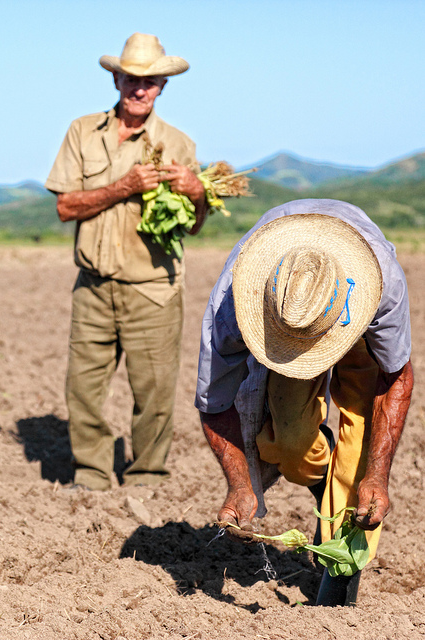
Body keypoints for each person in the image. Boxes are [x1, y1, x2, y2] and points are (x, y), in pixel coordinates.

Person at [195, 198, 413, 606]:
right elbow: (213, 399)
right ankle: (319, 478)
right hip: (290, 324)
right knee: (288, 440)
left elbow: (396, 377)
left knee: (360, 454)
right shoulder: (234, 302)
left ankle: (340, 578)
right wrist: (240, 484)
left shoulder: (382, 284)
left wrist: (378, 475)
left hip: (359, 326)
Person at [45, 33, 208, 491]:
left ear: (163, 86)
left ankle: (146, 479)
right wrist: (124, 185)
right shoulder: (81, 131)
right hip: (92, 286)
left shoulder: (179, 143)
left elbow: (195, 225)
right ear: (116, 78)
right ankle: (92, 476)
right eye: (132, 79)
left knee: (154, 394)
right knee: (83, 388)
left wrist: (196, 193)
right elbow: (64, 207)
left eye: (151, 81)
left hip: (153, 289)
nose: (140, 89)